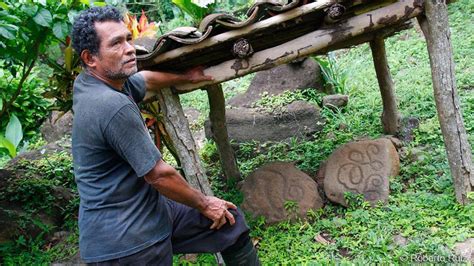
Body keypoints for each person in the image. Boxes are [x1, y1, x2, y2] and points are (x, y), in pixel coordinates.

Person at [71, 6, 259, 265]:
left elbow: (144, 80)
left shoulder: (93, 82)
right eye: (116, 43)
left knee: (229, 221)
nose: (129, 48)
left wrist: (185, 77)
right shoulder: (110, 105)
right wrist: (205, 203)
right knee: (214, 212)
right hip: (127, 242)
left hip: (147, 211)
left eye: (128, 38)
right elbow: (159, 175)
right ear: (90, 58)